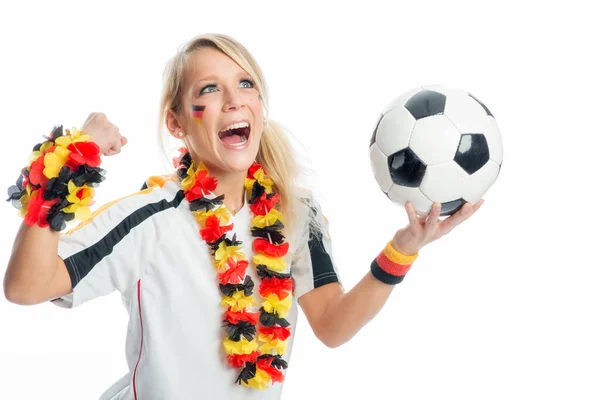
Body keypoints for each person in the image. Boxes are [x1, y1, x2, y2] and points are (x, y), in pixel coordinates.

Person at [3, 33, 483, 399]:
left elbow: (333, 326)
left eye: (245, 84)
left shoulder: (296, 213)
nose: (234, 100)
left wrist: (404, 249)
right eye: (210, 89)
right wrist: (70, 163)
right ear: (177, 122)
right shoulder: (150, 217)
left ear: (259, 106)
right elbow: (26, 286)